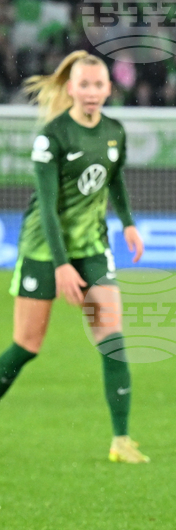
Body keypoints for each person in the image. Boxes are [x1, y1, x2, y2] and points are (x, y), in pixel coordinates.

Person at [0, 51, 148, 463]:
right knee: (27, 344)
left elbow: (115, 179)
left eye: (98, 84)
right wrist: (61, 265)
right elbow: (47, 208)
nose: (91, 92)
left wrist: (129, 223)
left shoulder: (114, 131)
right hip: (43, 248)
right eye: (84, 85)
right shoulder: (52, 136)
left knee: (112, 339)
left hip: (92, 246)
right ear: (71, 89)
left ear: (109, 88)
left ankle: (121, 440)